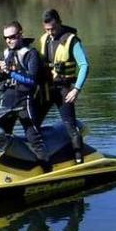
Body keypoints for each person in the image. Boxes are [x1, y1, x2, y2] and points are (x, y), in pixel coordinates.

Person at [0, 21, 49, 168]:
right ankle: (4, 167)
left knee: (33, 136)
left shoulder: (30, 54)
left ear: (20, 34)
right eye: (6, 38)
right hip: (7, 100)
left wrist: (11, 72)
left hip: (24, 100)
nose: (9, 40)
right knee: (0, 135)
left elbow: (32, 80)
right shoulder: (5, 54)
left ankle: (46, 168)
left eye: (12, 36)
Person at [36, 9, 89, 164]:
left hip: (64, 90)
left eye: (53, 28)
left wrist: (76, 89)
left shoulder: (72, 40)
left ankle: (79, 159)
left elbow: (84, 65)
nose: (50, 32)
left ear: (59, 22)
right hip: (47, 89)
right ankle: (40, 156)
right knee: (34, 122)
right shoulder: (44, 39)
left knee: (70, 125)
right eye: (47, 29)